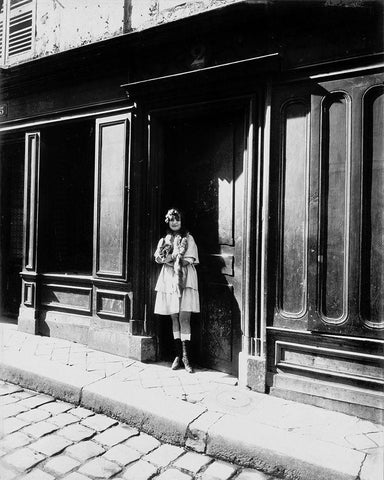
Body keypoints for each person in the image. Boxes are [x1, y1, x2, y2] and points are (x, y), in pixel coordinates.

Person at [154, 208, 200, 373]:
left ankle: (187, 356)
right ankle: (178, 355)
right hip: (169, 279)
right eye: (172, 220)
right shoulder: (164, 239)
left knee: (184, 317)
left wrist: (172, 258)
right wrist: (168, 258)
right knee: (174, 316)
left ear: (182, 221)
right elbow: (159, 258)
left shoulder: (189, 239)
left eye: (177, 220)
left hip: (185, 278)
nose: (174, 223)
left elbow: (188, 260)